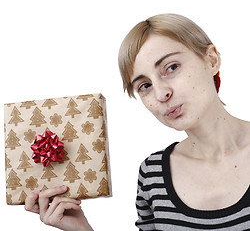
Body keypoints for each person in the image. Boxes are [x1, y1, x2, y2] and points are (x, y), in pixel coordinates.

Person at [25, 13, 250, 230]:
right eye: (145, 85)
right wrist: (82, 229)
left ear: (212, 60)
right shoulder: (152, 175)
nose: (161, 94)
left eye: (171, 68)